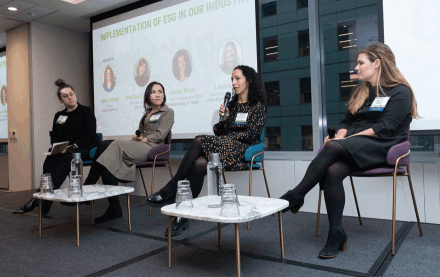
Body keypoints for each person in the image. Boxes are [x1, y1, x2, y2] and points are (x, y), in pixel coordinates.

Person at [279, 42, 419, 259]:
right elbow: (346, 120)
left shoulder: (401, 92)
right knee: (333, 170)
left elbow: (385, 128)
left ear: (377, 63)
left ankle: (296, 195)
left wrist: (341, 143)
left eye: (361, 62)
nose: (357, 67)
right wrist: (340, 137)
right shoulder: (363, 92)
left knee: (331, 147)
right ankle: (335, 234)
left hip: (382, 145)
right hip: (357, 145)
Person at [146, 65, 267, 237]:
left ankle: (170, 189)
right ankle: (182, 216)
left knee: (199, 140)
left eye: (237, 78)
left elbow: (251, 135)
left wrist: (230, 127)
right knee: (198, 164)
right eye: (232, 79)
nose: (233, 83)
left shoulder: (257, 106)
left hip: (242, 151)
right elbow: (219, 132)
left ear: (248, 80)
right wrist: (224, 119)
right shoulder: (231, 105)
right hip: (225, 147)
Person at [86, 81, 174, 223]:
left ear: (164, 94)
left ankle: (88, 185)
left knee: (117, 145)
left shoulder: (168, 112)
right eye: (153, 92)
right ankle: (114, 207)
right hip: (142, 144)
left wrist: (144, 139)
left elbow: (160, 135)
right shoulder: (147, 113)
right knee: (103, 147)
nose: (157, 94)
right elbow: (142, 131)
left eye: (160, 91)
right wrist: (138, 137)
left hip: (153, 147)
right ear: (148, 96)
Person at [14, 79, 98, 215]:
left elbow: (90, 135)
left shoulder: (86, 111)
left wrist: (73, 146)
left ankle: (38, 199)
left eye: (71, 94)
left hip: (84, 148)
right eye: (65, 96)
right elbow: (54, 136)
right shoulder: (59, 116)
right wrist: (56, 146)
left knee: (67, 158)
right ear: (61, 100)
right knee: (51, 158)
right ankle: (45, 203)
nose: (69, 98)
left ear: (75, 94)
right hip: (66, 149)